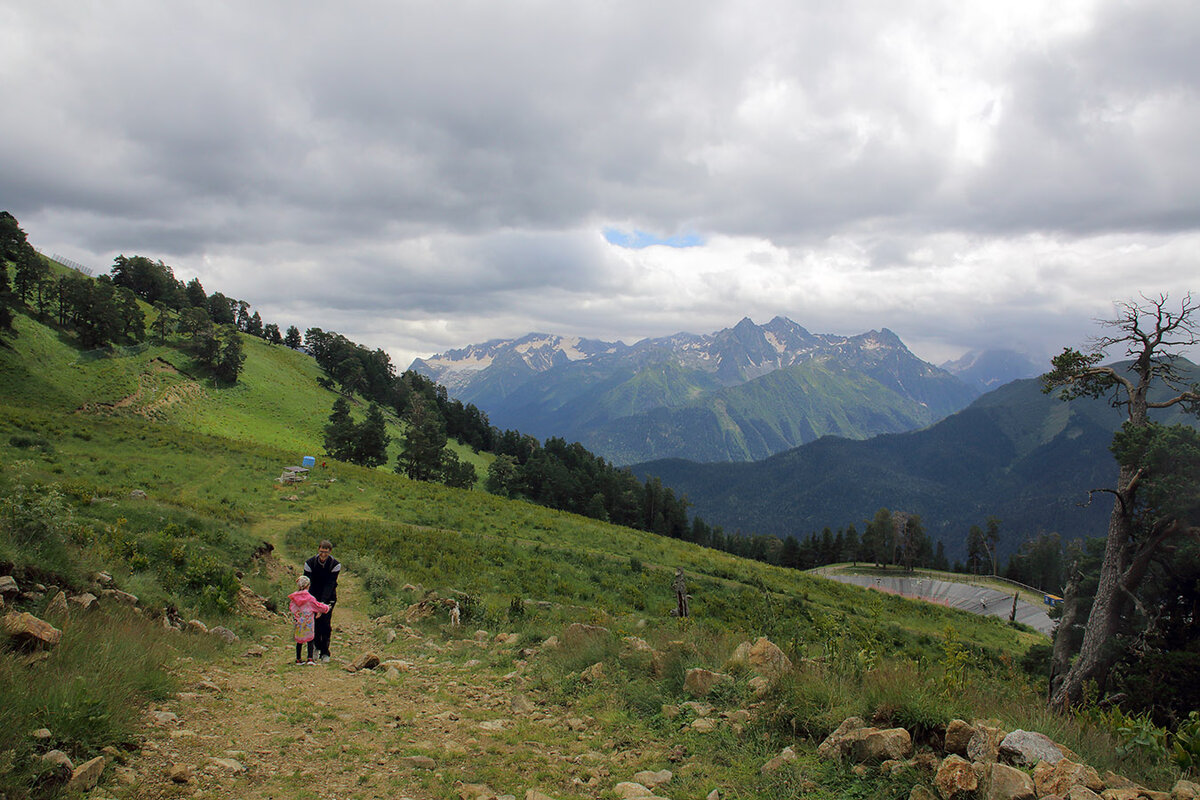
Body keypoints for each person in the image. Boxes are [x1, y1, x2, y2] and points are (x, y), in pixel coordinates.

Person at [304, 540, 341, 662]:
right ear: (318, 550)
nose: (323, 555)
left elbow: (330, 584)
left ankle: (325, 652)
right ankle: (315, 648)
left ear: (330, 552)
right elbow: (307, 582)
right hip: (312, 596)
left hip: (328, 597)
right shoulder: (310, 563)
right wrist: (309, 600)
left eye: (325, 552)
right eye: (321, 552)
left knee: (325, 623)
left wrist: (323, 604)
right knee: (313, 623)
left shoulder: (335, 565)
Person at [288, 575, 329, 665]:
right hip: (309, 622)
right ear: (307, 585)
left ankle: (298, 659)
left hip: (299, 622)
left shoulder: (294, 598)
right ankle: (310, 658)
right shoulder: (310, 598)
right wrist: (326, 608)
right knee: (310, 639)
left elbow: (292, 608)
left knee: (299, 641)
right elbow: (317, 606)